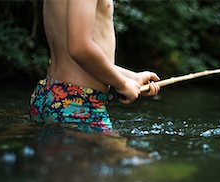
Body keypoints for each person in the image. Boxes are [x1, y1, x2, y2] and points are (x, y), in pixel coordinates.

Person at [29, 0, 160, 132]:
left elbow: (74, 60)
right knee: (128, 153)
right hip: (77, 103)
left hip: (48, 94)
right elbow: (79, 49)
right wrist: (123, 84)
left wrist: (131, 77)